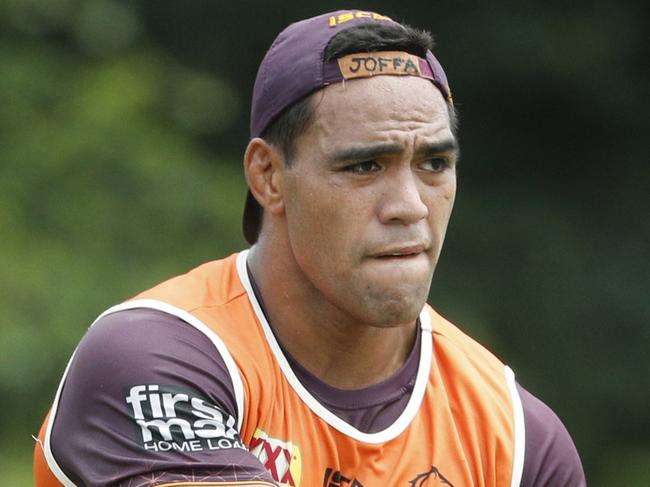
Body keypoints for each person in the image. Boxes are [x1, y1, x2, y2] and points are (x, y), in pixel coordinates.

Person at [34, 9, 586, 487]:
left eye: (434, 164)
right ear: (268, 176)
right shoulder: (155, 359)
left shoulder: (517, 442)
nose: (411, 206)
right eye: (365, 165)